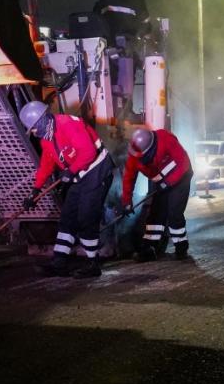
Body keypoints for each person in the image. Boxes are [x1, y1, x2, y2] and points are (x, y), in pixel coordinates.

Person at [19, 101, 113, 278]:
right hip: (80, 173)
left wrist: (70, 171)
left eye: (32, 128)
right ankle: (59, 263)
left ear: (41, 121)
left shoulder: (68, 125)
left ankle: (93, 264)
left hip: (97, 170)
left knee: (86, 216)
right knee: (68, 217)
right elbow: (47, 165)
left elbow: (88, 153)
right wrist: (35, 190)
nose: (32, 132)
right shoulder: (46, 138)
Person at [121, 127, 193, 261]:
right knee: (156, 213)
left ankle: (181, 247)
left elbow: (182, 161)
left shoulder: (166, 139)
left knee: (174, 213)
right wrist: (126, 201)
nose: (140, 160)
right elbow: (129, 177)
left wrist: (169, 182)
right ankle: (149, 248)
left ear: (150, 150)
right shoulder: (135, 154)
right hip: (161, 183)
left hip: (181, 178)